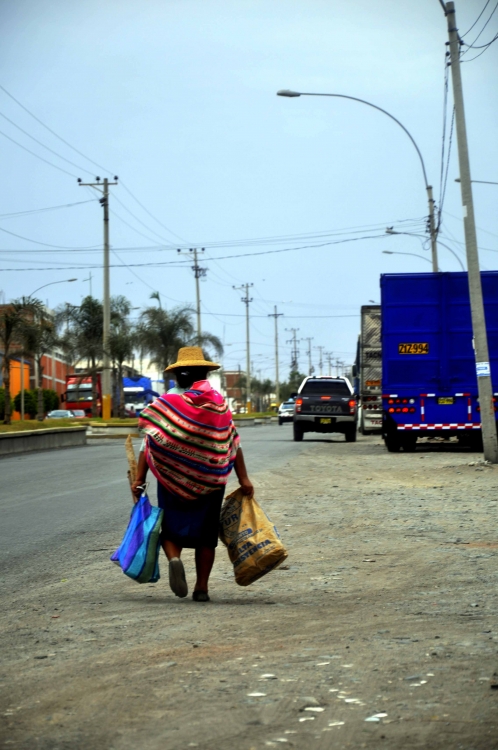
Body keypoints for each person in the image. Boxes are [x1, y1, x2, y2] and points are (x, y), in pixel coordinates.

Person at [131, 346, 253, 602]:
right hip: (210, 480)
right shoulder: (216, 404)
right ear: (204, 376)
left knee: (170, 528)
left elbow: (148, 443)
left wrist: (140, 479)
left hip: (170, 478)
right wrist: (243, 478)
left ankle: (174, 558)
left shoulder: (164, 404)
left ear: (177, 376)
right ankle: (202, 588)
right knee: (206, 535)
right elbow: (232, 441)